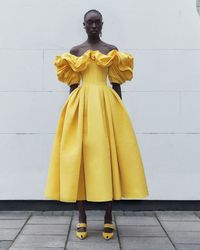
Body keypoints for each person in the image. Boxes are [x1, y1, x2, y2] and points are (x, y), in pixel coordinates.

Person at [44, 9, 149, 240]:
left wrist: (118, 114)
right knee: (79, 158)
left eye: (97, 22)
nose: (93, 25)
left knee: (107, 157)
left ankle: (108, 218)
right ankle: (81, 217)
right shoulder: (75, 52)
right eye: (89, 22)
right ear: (83, 25)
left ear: (102, 24)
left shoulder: (110, 51)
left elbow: (116, 83)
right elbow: (72, 86)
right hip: (81, 106)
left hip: (105, 105)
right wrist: (71, 112)